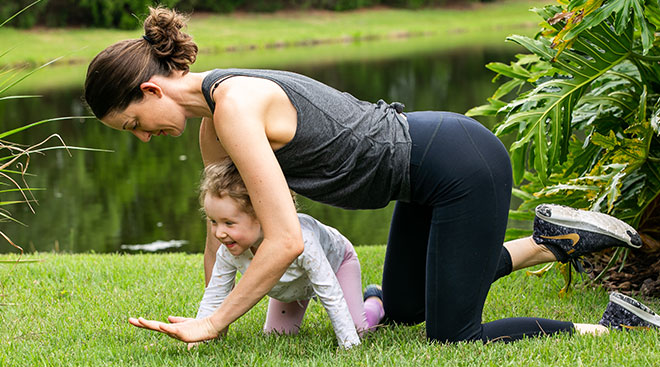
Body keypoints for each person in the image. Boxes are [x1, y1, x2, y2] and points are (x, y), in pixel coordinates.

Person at [87, 6, 646, 345]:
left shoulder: (234, 106)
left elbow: (284, 241)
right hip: (417, 180)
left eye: (133, 123)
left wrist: (213, 325)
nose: (141, 137)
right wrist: (213, 316)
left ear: (151, 89)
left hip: (456, 163)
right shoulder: (213, 122)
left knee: (453, 333)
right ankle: (555, 241)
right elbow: (222, 226)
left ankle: (612, 325)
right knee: (405, 311)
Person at [130, 160, 385, 348]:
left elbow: (330, 290)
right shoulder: (231, 248)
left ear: (260, 215)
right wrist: (198, 339)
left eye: (229, 223)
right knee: (276, 336)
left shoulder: (301, 238)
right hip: (290, 287)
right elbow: (215, 295)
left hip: (337, 266)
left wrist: (349, 347)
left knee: (358, 331)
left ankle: (374, 302)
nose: (219, 233)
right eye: (213, 221)